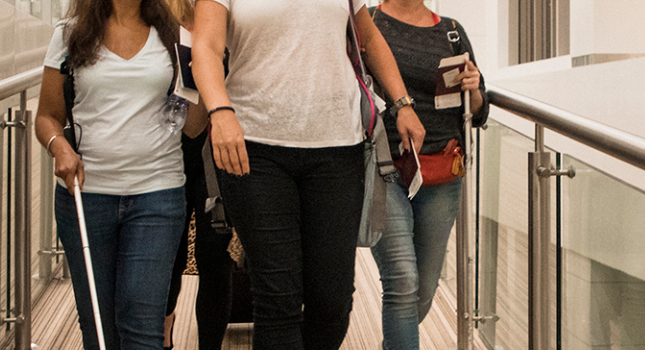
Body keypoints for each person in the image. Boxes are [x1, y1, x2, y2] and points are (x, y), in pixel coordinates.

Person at [191, 0, 425, 347]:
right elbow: (206, 46)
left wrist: (402, 103)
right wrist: (220, 109)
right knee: (277, 300)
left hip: (338, 150)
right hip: (256, 148)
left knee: (333, 301)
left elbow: (370, 40)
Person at [33, 0, 195, 346]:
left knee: (142, 324)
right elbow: (47, 116)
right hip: (86, 198)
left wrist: (210, 76)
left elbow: (193, 128)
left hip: (158, 194)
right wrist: (59, 147)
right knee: (98, 328)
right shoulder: (70, 35)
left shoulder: (175, 36)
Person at [365, 1, 487, 349]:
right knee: (402, 280)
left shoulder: (450, 30)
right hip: (382, 166)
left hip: (440, 168)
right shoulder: (367, 23)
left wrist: (474, 89)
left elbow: (477, 112)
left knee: (424, 287)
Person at [156, 1, 237, 349]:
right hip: (166, 149)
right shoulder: (158, 17)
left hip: (220, 147)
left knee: (214, 255)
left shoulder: (229, 17)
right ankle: (163, 336)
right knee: (168, 256)